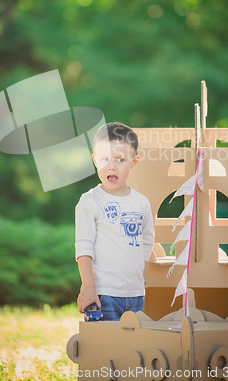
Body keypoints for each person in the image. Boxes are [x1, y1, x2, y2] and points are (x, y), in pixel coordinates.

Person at [75, 121, 154, 321]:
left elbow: (146, 240)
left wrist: (134, 274)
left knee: (133, 347)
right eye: (104, 159)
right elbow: (84, 247)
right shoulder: (90, 201)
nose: (111, 166)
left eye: (120, 159)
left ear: (134, 162)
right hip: (103, 294)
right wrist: (88, 287)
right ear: (94, 160)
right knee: (107, 347)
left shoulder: (141, 202)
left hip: (136, 294)